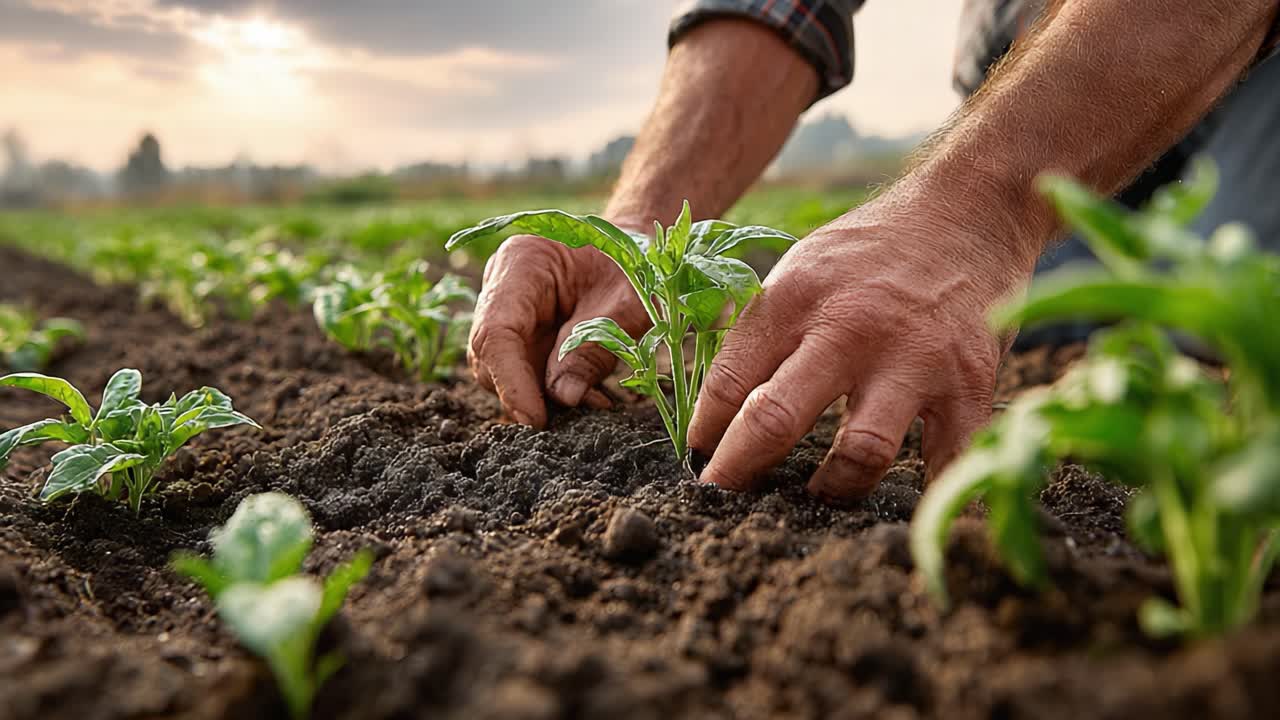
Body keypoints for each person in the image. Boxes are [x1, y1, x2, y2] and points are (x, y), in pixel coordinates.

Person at [465, 0, 1280, 504]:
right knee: (949, 327)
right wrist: (638, 223)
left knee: (1222, 313)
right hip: (1042, 77)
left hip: (1255, 86)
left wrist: (976, 210)